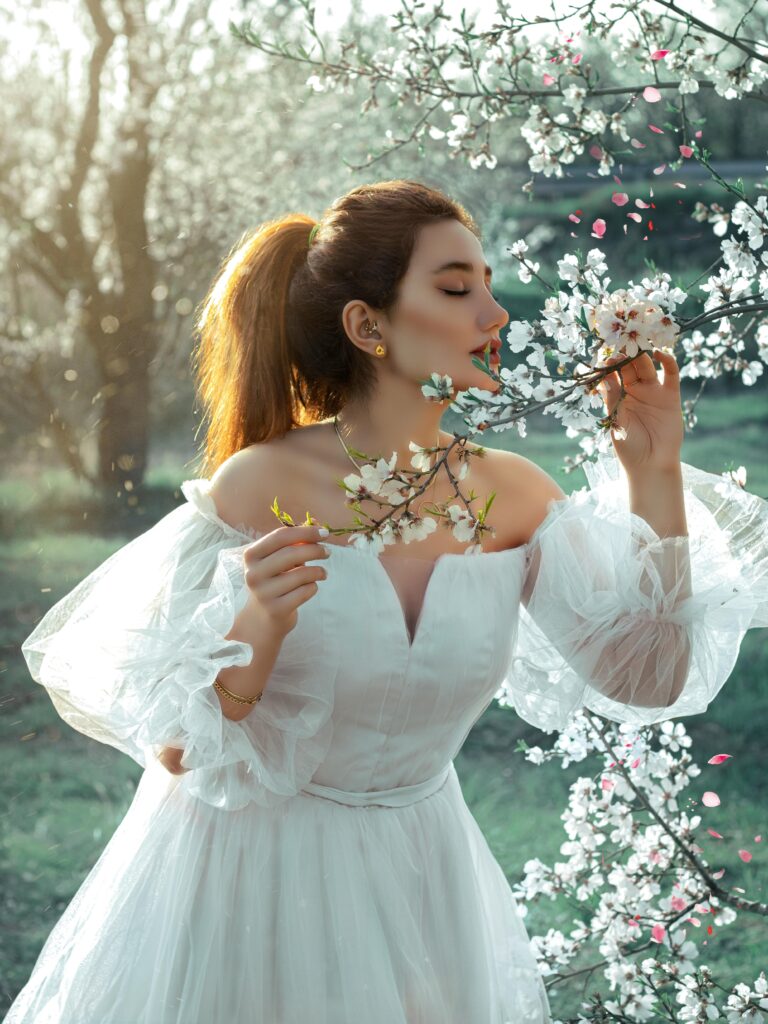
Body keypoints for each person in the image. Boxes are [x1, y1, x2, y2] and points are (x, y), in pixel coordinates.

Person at [7, 179, 767, 1024]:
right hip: (248, 884)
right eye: (454, 287)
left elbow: (650, 676)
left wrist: (651, 468)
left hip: (424, 880)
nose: (495, 314)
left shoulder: (515, 497)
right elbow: (182, 751)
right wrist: (255, 627)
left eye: (485, 281)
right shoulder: (261, 485)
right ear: (367, 326)